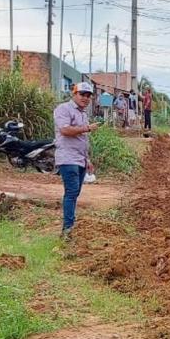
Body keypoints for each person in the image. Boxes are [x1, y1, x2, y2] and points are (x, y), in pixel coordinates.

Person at [53, 82, 96, 237]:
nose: (85, 98)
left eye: (88, 95)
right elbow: (65, 130)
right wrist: (87, 128)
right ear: (74, 94)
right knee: (71, 192)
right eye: (82, 94)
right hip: (68, 158)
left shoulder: (83, 114)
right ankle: (67, 229)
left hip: (80, 159)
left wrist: (87, 160)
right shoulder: (64, 109)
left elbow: (82, 139)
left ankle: (69, 225)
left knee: (75, 193)